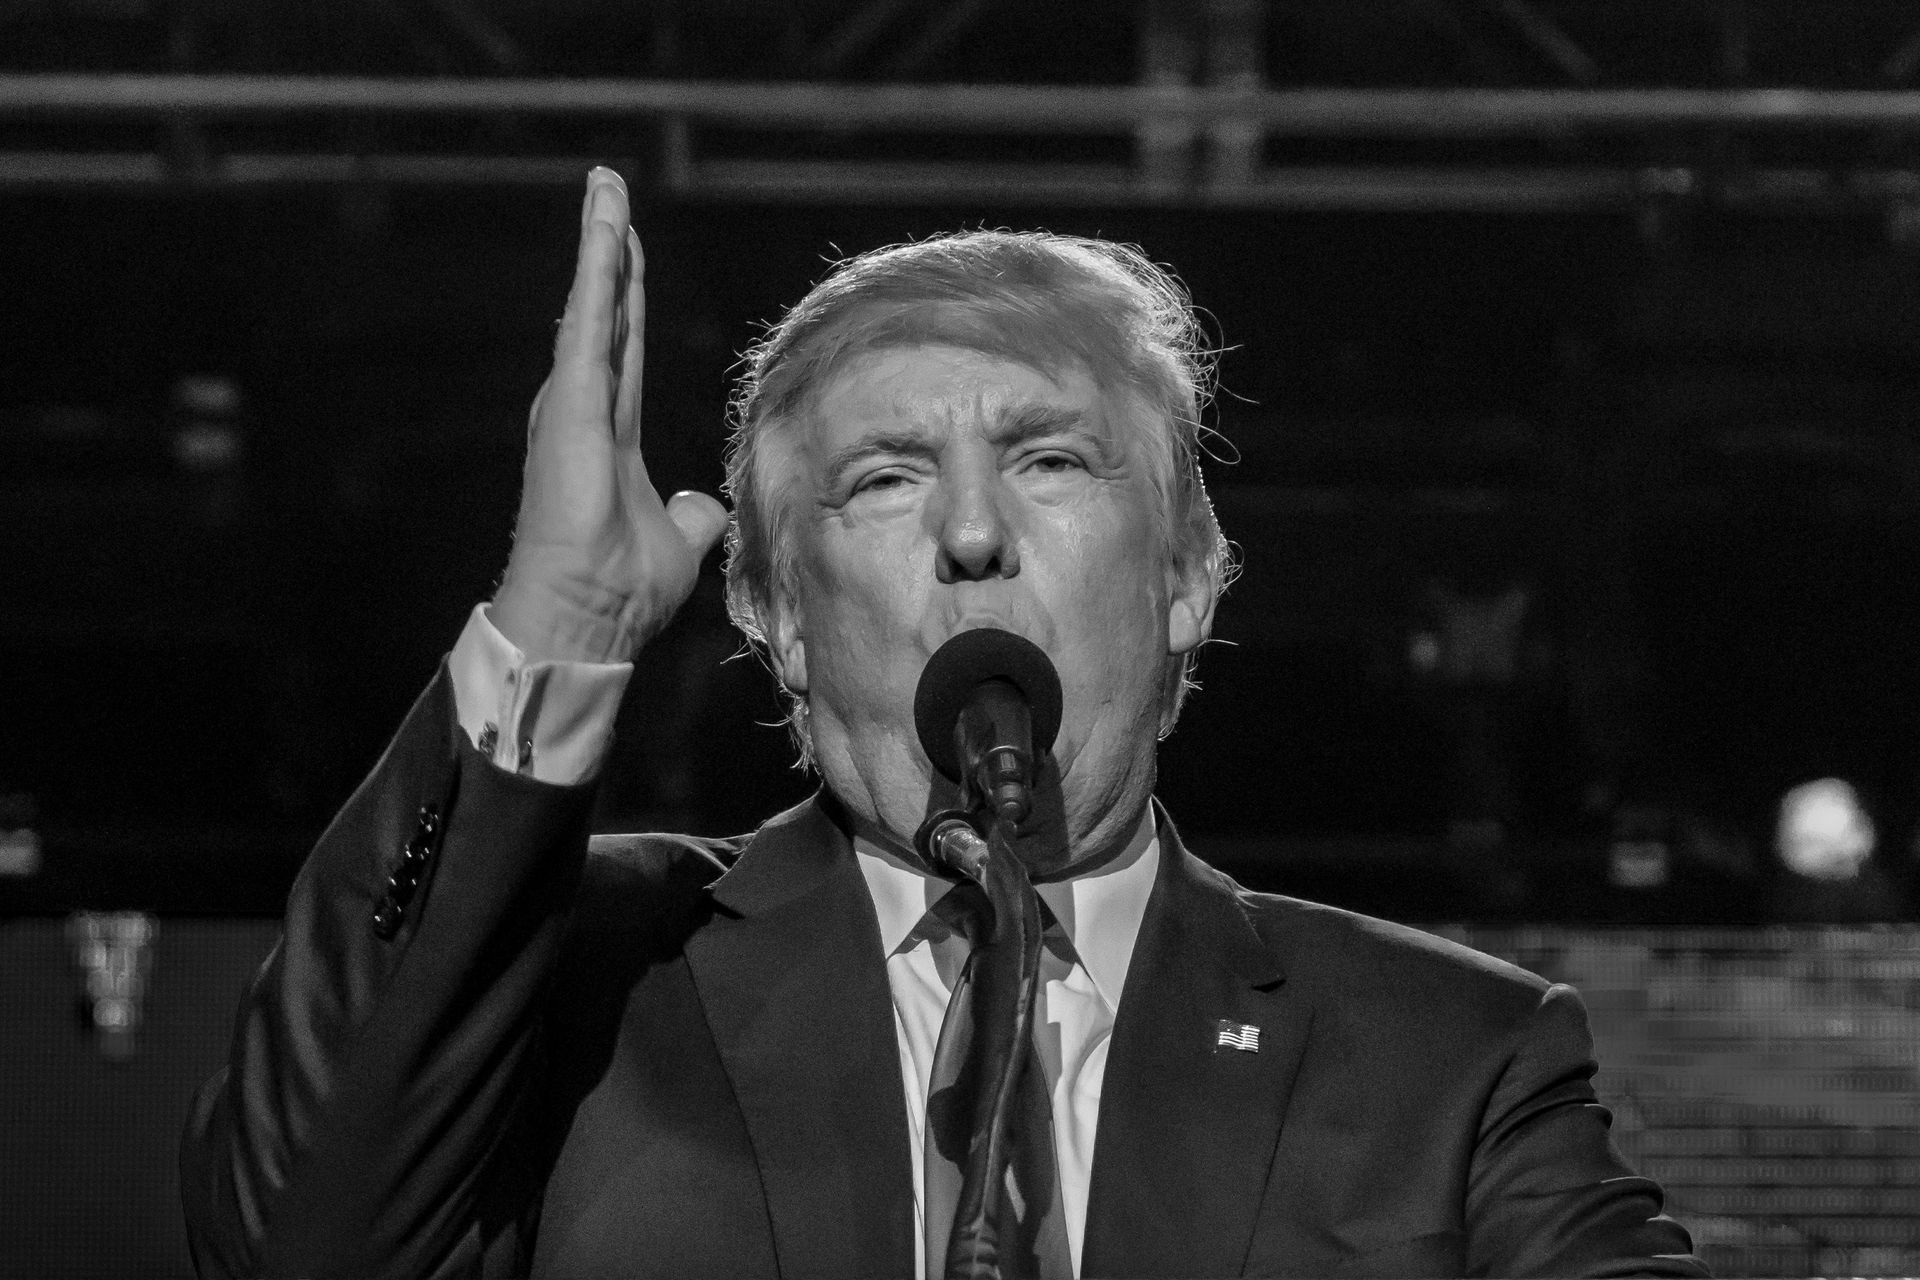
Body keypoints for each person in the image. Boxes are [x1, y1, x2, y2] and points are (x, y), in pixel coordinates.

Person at [181, 167, 1706, 1279]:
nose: (973, 532)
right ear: (770, 614)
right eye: (887, 479)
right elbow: (293, 1240)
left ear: (1186, 581)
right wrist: (558, 627)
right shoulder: (591, 982)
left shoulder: (1457, 1060)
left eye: (1049, 461)